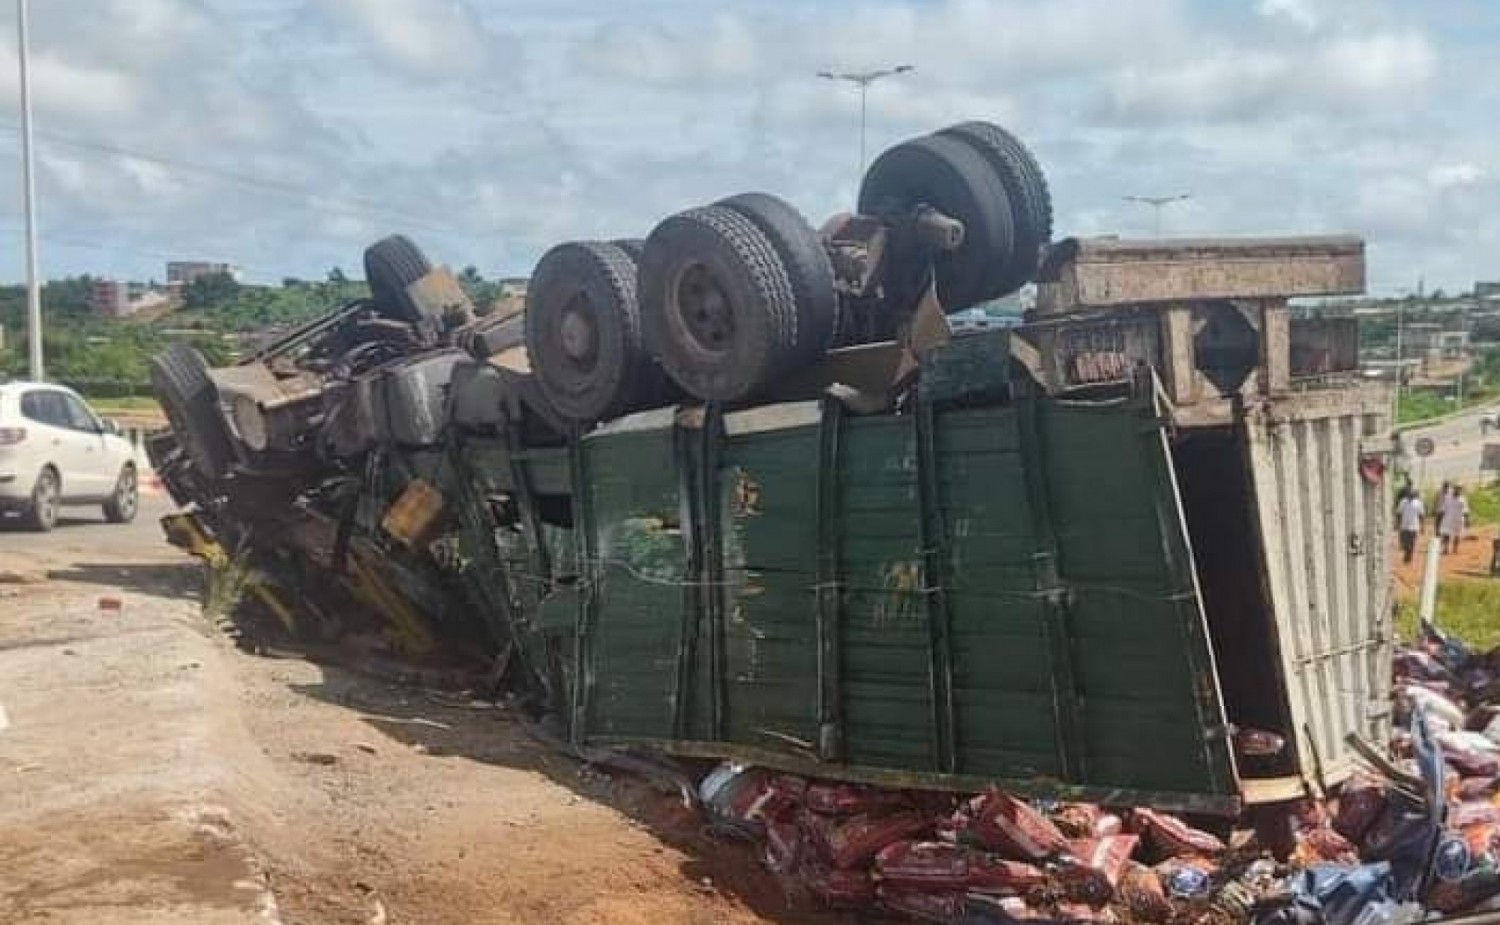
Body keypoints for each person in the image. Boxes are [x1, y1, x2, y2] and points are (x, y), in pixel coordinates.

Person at [1397, 488, 1424, 565]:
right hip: (1404, 526)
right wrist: (1397, 523)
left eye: (1411, 494)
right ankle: (1407, 553)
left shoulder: (1418, 503)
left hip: (1414, 526)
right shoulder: (1402, 502)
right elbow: (1399, 513)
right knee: (1404, 543)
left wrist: (1422, 526)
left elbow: (1421, 515)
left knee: (1411, 543)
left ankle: (1408, 557)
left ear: (1414, 495)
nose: (1410, 495)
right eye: (1409, 494)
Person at [1440, 485, 1470, 554]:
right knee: (1446, 534)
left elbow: (1466, 510)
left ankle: (1455, 548)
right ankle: (1445, 548)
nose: (1458, 490)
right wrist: (1440, 518)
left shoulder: (1462, 499)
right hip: (1448, 518)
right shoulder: (1447, 497)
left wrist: (1467, 520)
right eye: (1457, 488)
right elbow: (1443, 509)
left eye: (1459, 489)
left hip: (1458, 519)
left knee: (1457, 535)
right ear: (1454, 489)